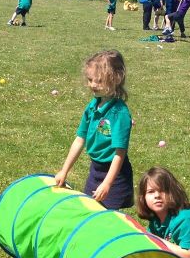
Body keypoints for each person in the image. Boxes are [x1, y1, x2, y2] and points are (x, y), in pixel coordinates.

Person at [54, 50, 134, 210]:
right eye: (90, 80)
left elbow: (119, 153)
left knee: (109, 217)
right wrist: (64, 170)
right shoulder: (92, 106)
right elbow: (79, 140)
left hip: (115, 176)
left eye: (99, 81)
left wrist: (107, 183)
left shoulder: (119, 113)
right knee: (90, 210)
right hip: (95, 171)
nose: (92, 85)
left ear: (116, 79)